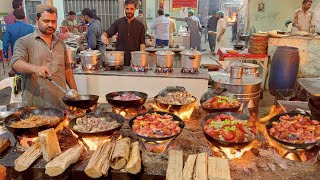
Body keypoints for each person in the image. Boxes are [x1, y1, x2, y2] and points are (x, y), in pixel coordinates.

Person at [10, 4, 77, 107]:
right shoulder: (24, 42)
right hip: (36, 106)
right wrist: (36, 68)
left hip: (61, 103)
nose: (50, 25)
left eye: (53, 21)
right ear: (37, 19)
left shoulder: (60, 44)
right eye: (46, 21)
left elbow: (67, 69)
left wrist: (75, 95)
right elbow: (16, 63)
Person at [101, 0, 146, 66]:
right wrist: (103, 36)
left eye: (131, 9)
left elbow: (142, 44)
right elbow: (108, 32)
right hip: (119, 59)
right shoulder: (118, 22)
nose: (129, 11)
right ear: (124, 8)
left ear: (135, 9)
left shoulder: (140, 25)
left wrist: (142, 59)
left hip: (134, 59)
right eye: (127, 9)